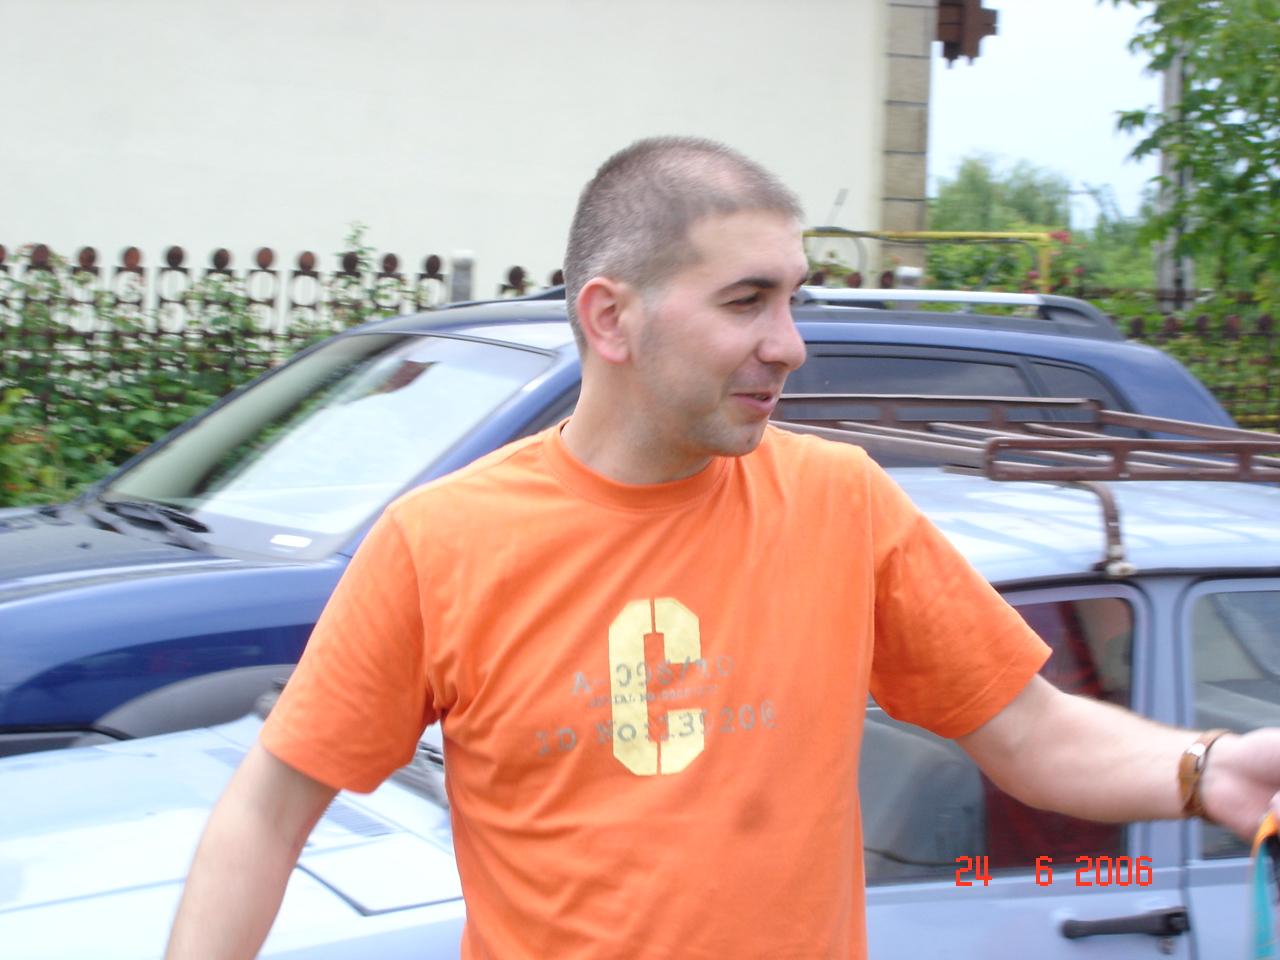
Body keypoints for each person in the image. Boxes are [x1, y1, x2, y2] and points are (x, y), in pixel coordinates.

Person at [165, 137, 1280, 960]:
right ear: (610, 318)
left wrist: (1206, 770)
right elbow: (268, 811)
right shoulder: (442, 542)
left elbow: (1028, 731)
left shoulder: (840, 502)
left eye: (791, 299)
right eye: (746, 302)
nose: (789, 344)